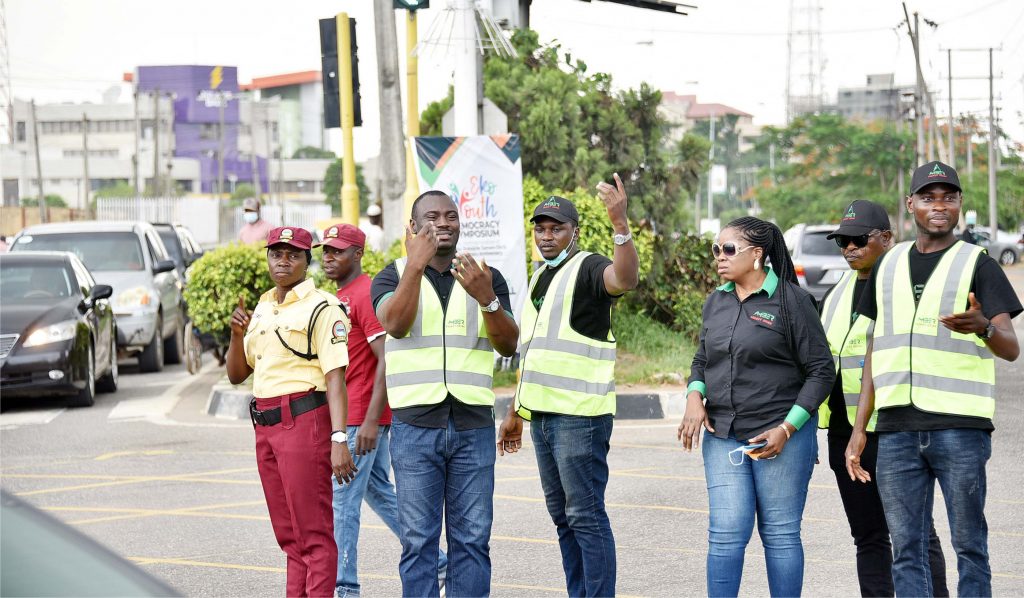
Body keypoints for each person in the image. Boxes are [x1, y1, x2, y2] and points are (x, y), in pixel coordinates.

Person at [846, 161, 1021, 597]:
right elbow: (874, 348)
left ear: (960, 204)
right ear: (911, 205)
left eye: (949, 197)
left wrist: (983, 326)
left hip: (959, 428)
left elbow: (1011, 348)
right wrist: (858, 429)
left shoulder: (977, 264)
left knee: (969, 546)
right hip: (897, 431)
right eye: (928, 197)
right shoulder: (886, 266)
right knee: (906, 549)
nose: (939, 206)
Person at [496, 175, 639, 597]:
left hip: (580, 418)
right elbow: (532, 356)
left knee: (585, 515)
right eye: (540, 228)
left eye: (556, 228)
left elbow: (625, 279)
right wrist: (515, 413)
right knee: (563, 517)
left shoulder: (589, 266)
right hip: (542, 417)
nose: (546, 235)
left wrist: (620, 224)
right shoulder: (541, 278)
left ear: (574, 232)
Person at [371, 190, 519, 597]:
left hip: (472, 428)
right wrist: (414, 266)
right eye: (432, 217)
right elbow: (396, 325)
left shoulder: (484, 274)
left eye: (451, 216)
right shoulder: (392, 274)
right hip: (415, 428)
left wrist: (487, 298)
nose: (443, 223)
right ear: (413, 228)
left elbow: (508, 345)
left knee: (472, 540)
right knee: (418, 542)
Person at [677, 216, 835, 598]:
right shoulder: (716, 301)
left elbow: (821, 371)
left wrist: (788, 428)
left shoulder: (791, 301)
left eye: (729, 249)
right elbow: (703, 359)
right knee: (726, 532)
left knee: (780, 533)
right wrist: (695, 396)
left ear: (757, 254)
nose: (719, 257)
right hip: (723, 434)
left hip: (780, 436)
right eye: (716, 249)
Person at [819, 200, 948, 597]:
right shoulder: (839, 290)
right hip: (844, 433)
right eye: (842, 241)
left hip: (895, 429)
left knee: (916, 537)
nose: (849, 249)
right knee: (868, 537)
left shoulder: (906, 287)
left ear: (886, 239)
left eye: (858, 239)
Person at [225, 226, 357, 597]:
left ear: (305, 261)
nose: (283, 260)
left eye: (293, 254)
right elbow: (237, 375)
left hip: (303, 421)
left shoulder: (322, 307)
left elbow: (335, 377)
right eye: (276, 253)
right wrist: (237, 336)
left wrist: (338, 438)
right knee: (289, 537)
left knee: (314, 536)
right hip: (265, 425)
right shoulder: (265, 306)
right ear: (267, 258)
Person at [319, 224, 447, 597]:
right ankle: (439, 563)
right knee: (378, 492)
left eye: (338, 251)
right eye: (325, 251)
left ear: (358, 254)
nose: (329, 257)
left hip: (362, 416)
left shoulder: (365, 292)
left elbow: (387, 358)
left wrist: (373, 420)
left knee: (343, 503)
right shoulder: (342, 294)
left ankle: (345, 588)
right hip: (359, 415)